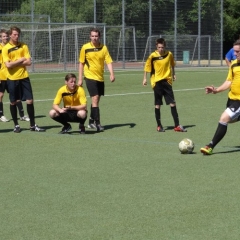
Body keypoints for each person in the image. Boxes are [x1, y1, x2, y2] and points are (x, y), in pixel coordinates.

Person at [200, 39, 240, 155]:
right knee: (228, 121)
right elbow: (229, 81)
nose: (235, 54)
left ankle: (210, 146)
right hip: (231, 99)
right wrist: (216, 90)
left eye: (238, 52)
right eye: (234, 52)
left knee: (223, 118)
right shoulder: (233, 64)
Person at [2, 26, 45, 133]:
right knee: (13, 102)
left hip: (24, 77)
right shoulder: (6, 48)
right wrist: (21, 60)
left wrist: (15, 62)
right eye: (14, 34)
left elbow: (29, 62)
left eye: (18, 34)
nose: (17, 36)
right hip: (12, 79)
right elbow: (8, 65)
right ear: (10, 35)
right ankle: (16, 125)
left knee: (30, 100)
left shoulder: (24, 46)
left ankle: (32, 125)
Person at [142, 38, 186, 132]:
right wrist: (145, 78)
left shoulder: (169, 54)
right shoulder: (152, 56)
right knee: (158, 104)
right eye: (159, 47)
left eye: (162, 47)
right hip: (157, 82)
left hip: (167, 81)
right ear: (156, 47)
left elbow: (172, 64)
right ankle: (159, 126)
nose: (161, 49)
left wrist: (174, 73)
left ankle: (177, 125)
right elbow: (147, 67)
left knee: (173, 103)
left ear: (164, 46)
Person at [78, 28, 115, 132]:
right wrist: (80, 78)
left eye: (96, 36)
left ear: (99, 37)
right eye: (92, 36)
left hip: (100, 77)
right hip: (89, 76)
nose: (94, 38)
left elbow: (108, 61)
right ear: (90, 37)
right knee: (95, 98)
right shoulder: (85, 47)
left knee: (96, 100)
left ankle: (90, 121)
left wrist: (112, 73)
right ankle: (98, 123)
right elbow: (81, 63)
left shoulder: (104, 48)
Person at [0, 29, 30, 123]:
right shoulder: (2, 48)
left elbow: (26, 60)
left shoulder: (13, 47)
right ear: (0, 38)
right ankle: (1, 115)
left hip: (12, 76)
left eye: (6, 36)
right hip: (2, 75)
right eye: (3, 36)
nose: (5, 38)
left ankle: (21, 115)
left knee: (17, 96)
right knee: (1, 95)